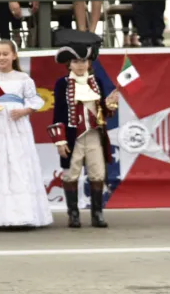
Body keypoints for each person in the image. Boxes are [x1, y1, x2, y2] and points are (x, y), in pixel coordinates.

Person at [0, 40, 52, 227]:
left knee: (18, 163)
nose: (1, 57)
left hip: (17, 127)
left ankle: (22, 213)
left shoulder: (23, 78)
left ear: (14, 56)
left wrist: (24, 111)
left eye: (5, 54)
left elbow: (35, 101)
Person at [47, 29, 118, 229]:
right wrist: (60, 140)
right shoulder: (62, 84)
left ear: (89, 63)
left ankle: (97, 214)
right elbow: (58, 113)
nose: (80, 65)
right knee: (71, 175)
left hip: (95, 135)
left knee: (97, 174)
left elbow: (102, 112)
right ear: (69, 64)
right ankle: (74, 214)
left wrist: (110, 104)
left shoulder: (97, 83)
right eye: (76, 61)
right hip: (72, 137)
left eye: (83, 61)